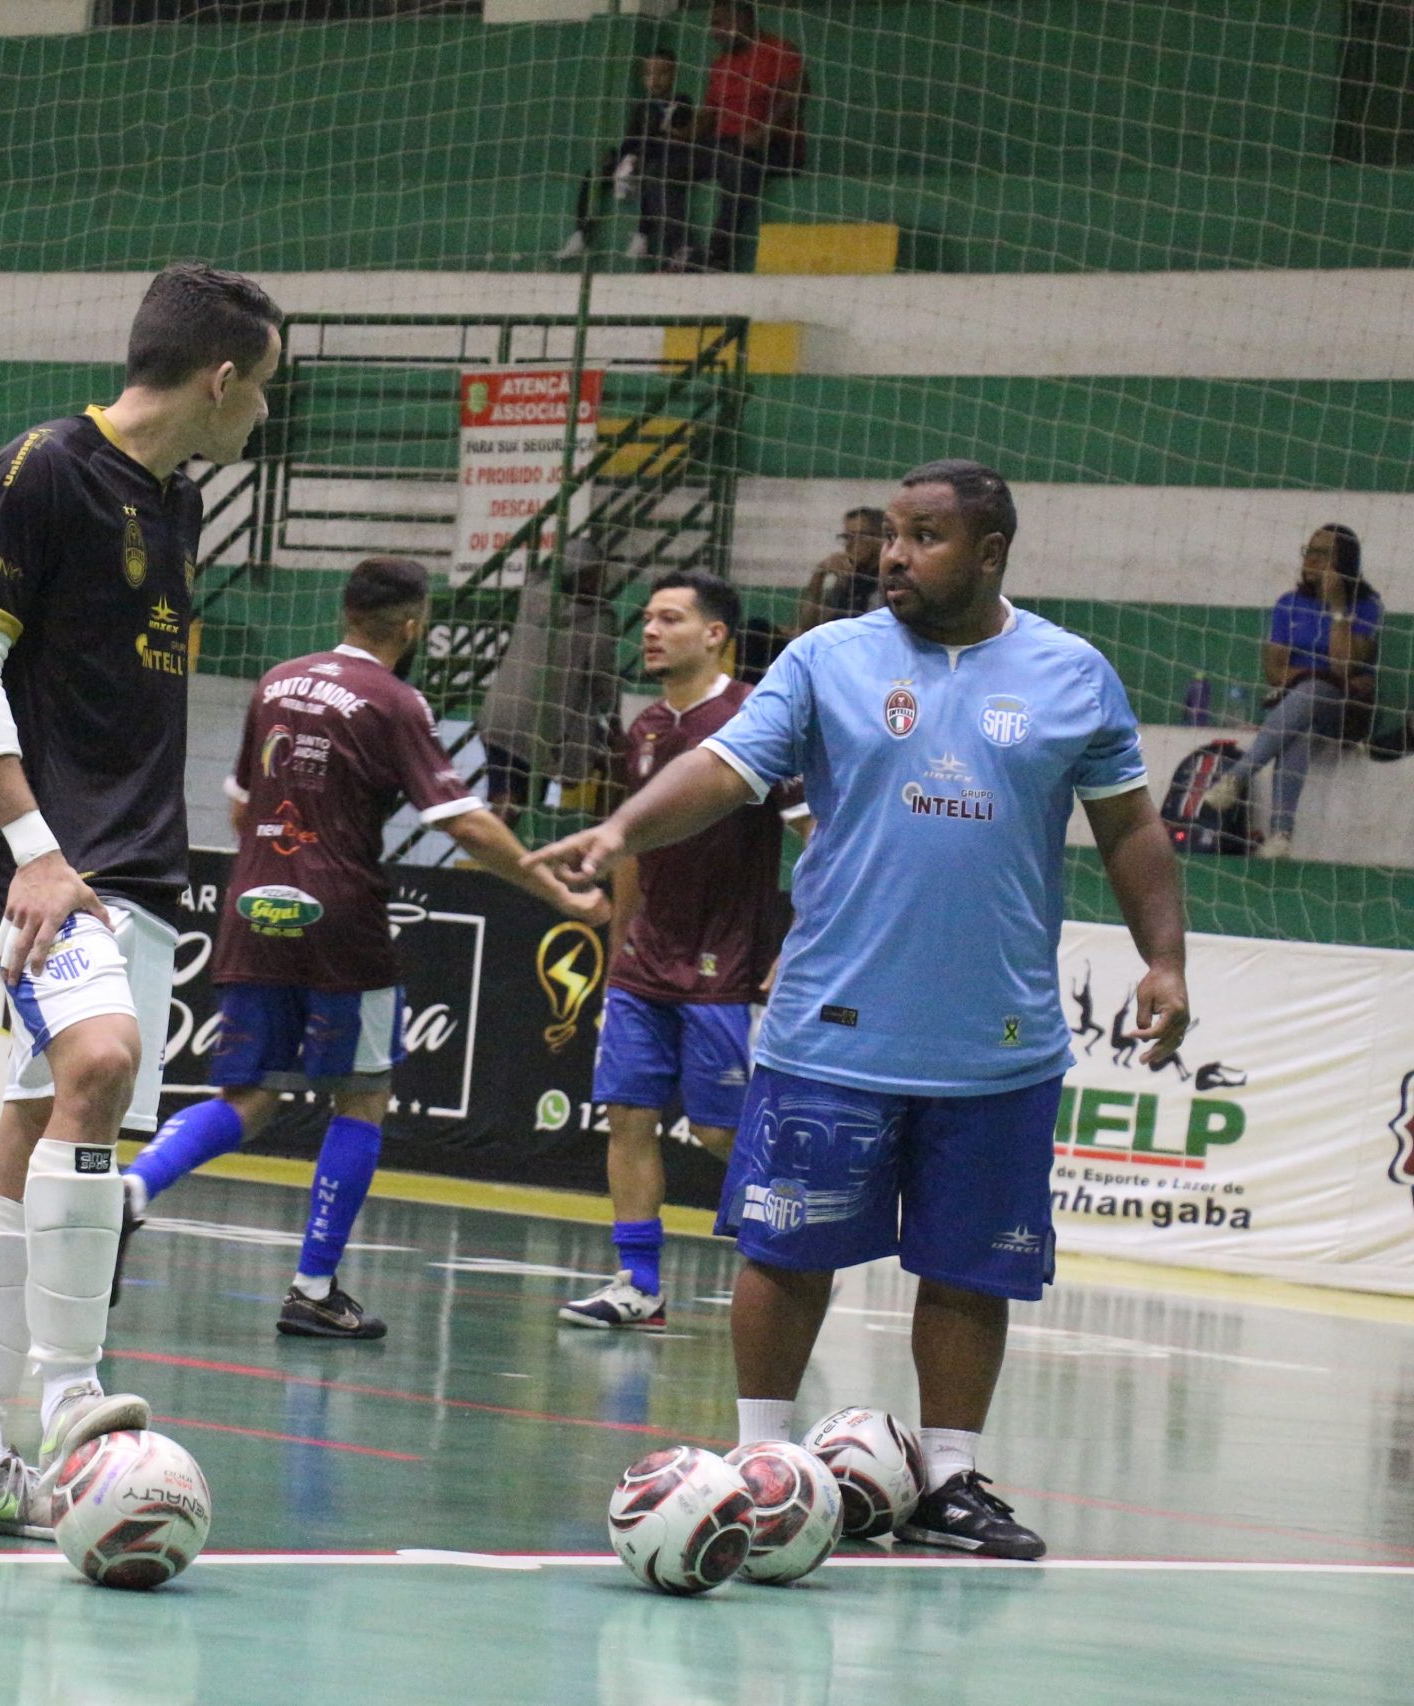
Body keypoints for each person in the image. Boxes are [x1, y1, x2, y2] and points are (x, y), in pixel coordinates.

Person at [531, 459, 1191, 1560]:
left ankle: (949, 1478)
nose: (891, 554)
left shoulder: (1072, 673)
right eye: (889, 533)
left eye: (923, 536)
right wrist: (620, 830)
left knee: (971, 1265)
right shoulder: (825, 658)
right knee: (787, 1253)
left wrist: (1162, 959)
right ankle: (762, 1462)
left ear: (988, 553)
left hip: (1000, 1037)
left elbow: (1129, 826)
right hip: (831, 1029)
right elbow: (724, 770)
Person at [0, 262, 280, 1538]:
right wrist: (29, 841)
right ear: (221, 376)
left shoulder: (176, 502)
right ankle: (72, 1391)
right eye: (265, 389)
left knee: (42, 1121)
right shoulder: (45, 467)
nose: (264, 419)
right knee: (102, 1059)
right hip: (44, 856)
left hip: (136, 860)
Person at [120, 556, 609, 1339]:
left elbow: (242, 809)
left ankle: (133, 1192)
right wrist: (555, 891)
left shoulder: (276, 682)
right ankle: (314, 1288)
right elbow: (460, 822)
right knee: (364, 1094)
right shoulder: (393, 700)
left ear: (344, 610)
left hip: (252, 905)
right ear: (413, 624)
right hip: (341, 917)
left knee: (248, 1094)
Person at [559, 569, 809, 1330]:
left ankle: (800, 1245)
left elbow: (820, 842)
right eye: (648, 618)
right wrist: (615, 956)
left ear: (715, 635)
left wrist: (800, 944)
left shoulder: (757, 722)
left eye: (670, 618)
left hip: (722, 967)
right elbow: (628, 852)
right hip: (642, 966)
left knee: (716, 1131)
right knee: (628, 1115)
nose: (650, 630)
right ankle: (638, 1284)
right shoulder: (643, 731)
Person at [1203, 524, 1383, 859]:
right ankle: (1281, 836)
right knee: (1301, 724)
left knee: (1313, 690)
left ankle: (1238, 775)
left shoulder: (1367, 605)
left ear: (1342, 561)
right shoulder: (1289, 604)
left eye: (1322, 554)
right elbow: (1274, 672)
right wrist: (1312, 673)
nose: (1311, 560)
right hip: (1299, 705)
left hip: (1347, 712)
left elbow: (1343, 667)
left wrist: (1338, 606)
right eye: (1309, 552)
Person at [474, 532, 617, 823]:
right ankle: (501, 860)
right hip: (540, 726)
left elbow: (541, 570)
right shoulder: (599, 622)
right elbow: (602, 678)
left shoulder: (532, 593)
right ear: (584, 574)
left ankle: (488, 858)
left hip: (498, 714)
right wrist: (613, 713)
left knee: (504, 794)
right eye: (597, 573)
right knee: (520, 800)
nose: (602, 579)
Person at [557, 47, 697, 269]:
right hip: (636, 158)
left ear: (673, 75)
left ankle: (642, 234)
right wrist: (620, 157)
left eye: (662, 74)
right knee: (593, 173)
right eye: (650, 74)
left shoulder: (681, 102)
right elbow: (631, 139)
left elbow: (675, 136)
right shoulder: (642, 107)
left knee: (652, 174)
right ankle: (581, 233)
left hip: (662, 157)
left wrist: (643, 153)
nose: (655, 80)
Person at [697, 2, 806, 275]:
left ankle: (718, 254)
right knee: (663, 165)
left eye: (720, 23)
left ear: (743, 22)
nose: (714, 31)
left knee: (738, 158)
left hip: (777, 145)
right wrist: (681, 136)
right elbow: (709, 114)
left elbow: (797, 94)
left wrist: (764, 132)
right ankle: (676, 251)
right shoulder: (720, 64)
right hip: (726, 145)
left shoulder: (780, 50)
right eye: (713, 24)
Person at [793, 507, 886, 636]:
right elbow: (806, 627)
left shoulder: (890, 580)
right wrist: (819, 575)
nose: (849, 544)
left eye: (858, 537)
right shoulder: (847, 581)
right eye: (847, 537)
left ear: (880, 538)